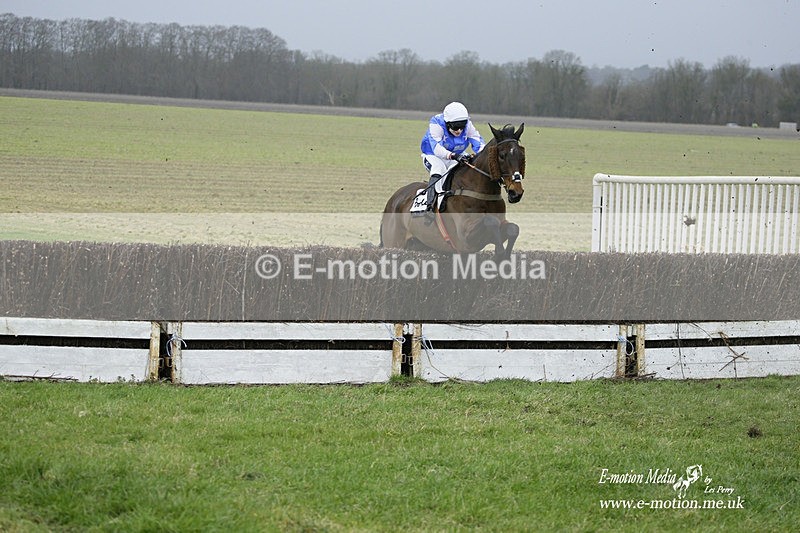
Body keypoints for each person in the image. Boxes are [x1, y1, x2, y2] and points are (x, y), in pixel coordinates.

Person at [420, 101, 485, 213]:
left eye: (462, 126)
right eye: (455, 127)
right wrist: (452, 155)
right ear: (447, 123)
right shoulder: (436, 123)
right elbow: (436, 148)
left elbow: (478, 142)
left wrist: (481, 155)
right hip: (433, 155)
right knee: (439, 168)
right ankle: (430, 205)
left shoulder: (468, 125)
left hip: (455, 155)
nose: (459, 130)